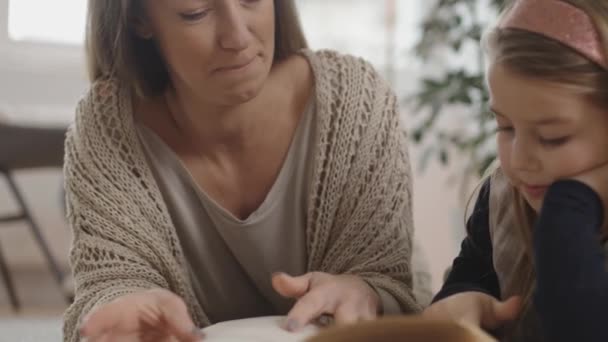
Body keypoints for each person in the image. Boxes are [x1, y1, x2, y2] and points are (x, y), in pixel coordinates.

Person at [62, 1, 420, 341]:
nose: (237, 37)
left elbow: (389, 282)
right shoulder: (104, 128)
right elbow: (108, 285)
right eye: (195, 13)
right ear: (139, 19)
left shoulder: (356, 102)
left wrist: (362, 291)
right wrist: (119, 314)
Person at [423, 0, 608, 341]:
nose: (519, 159)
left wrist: (568, 210)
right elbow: (468, 280)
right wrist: (461, 303)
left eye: (553, 138)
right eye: (505, 127)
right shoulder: (503, 196)